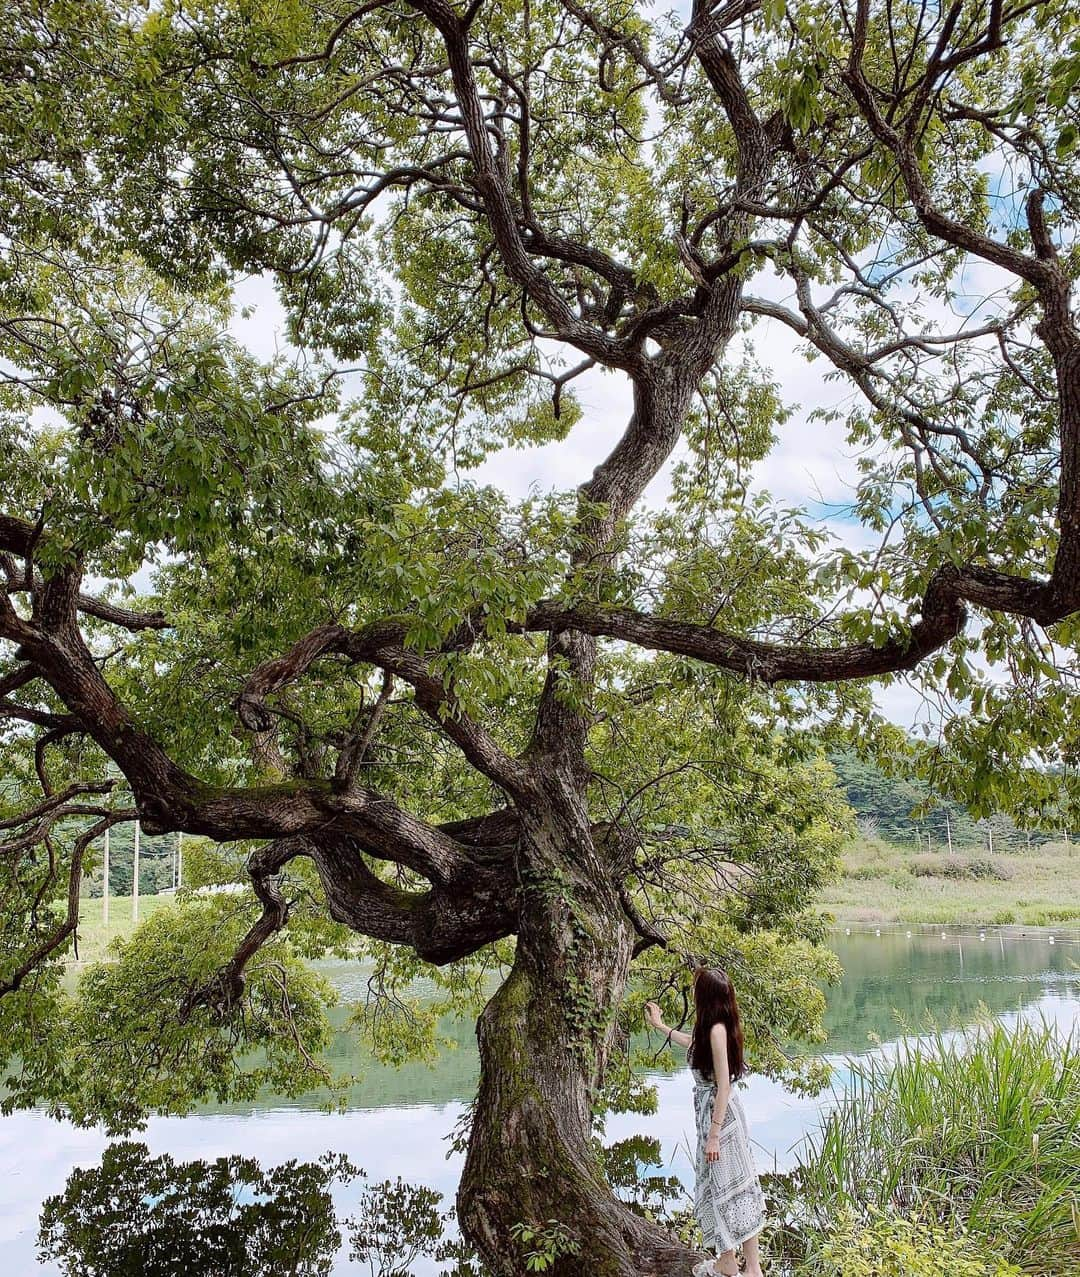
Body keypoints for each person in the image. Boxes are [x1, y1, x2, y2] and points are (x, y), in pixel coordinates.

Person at [645, 967, 766, 1277]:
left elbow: (724, 1085)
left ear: (706, 996)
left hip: (720, 1121)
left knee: (731, 1188)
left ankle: (745, 1266)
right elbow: (694, 1046)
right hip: (715, 1117)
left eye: (696, 987)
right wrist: (661, 1026)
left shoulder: (717, 1031)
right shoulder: (712, 1028)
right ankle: (737, 1263)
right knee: (729, 1187)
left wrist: (713, 1135)